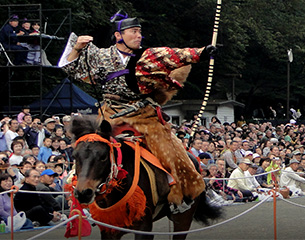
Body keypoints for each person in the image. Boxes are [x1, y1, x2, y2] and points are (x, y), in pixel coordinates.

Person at [59, 10, 216, 211]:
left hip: (145, 116)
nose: (138, 36)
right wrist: (77, 48)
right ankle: (80, 197)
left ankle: (183, 197)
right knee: (87, 151)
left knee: (174, 155)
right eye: (133, 31)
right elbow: (71, 69)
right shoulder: (99, 55)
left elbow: (175, 55)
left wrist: (202, 52)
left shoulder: (148, 56)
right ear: (118, 35)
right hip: (109, 115)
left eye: (139, 32)